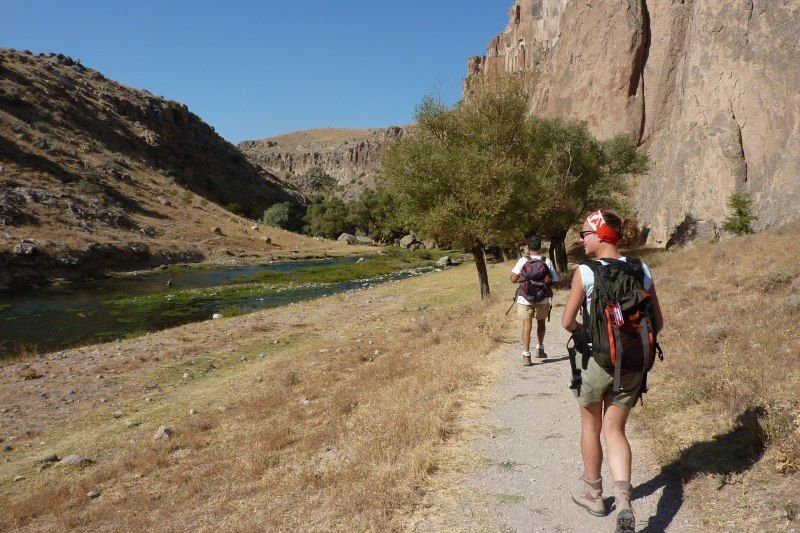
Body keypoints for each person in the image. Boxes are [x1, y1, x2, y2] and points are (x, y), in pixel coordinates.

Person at [561, 210, 664, 533]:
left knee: (591, 428)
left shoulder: (586, 272)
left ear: (600, 234)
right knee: (615, 431)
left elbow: (566, 322)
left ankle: (594, 494)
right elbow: (657, 323)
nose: (581, 239)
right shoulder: (641, 269)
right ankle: (623, 500)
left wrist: (586, 335)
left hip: (597, 363)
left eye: (584, 233)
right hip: (632, 364)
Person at [510, 237, 558, 366]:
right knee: (541, 323)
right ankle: (540, 349)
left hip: (525, 297)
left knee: (527, 326)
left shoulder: (523, 260)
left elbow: (513, 279)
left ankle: (526, 356)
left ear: (528, 248)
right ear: (539, 248)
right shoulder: (546, 261)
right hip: (542, 297)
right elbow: (554, 279)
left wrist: (523, 278)